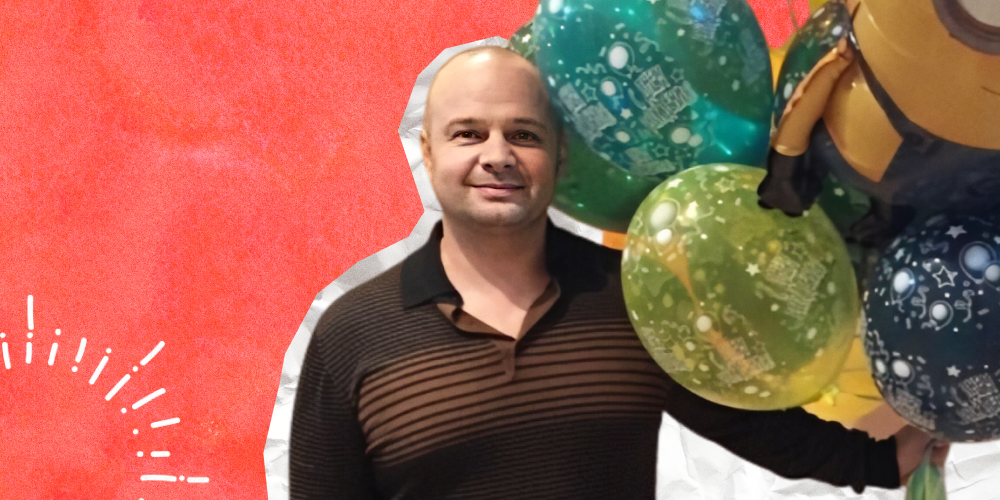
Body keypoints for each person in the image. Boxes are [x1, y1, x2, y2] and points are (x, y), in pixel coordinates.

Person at [289, 46, 948, 499]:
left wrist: (881, 460)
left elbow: (749, 422)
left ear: (559, 154)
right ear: (428, 154)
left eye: (523, 133)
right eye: (468, 134)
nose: (498, 155)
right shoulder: (351, 335)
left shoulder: (637, 297)